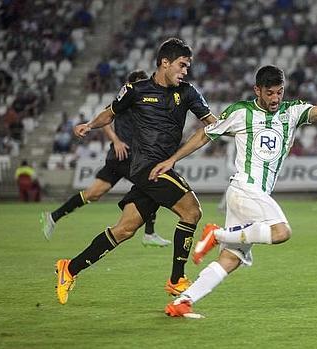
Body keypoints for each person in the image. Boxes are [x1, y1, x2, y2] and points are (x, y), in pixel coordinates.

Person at [153, 65, 317, 317]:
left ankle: (183, 301)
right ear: (257, 90)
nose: (276, 98)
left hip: (251, 196)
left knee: (230, 260)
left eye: (280, 92)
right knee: (282, 232)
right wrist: (173, 160)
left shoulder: (292, 111)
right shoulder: (241, 112)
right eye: (270, 93)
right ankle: (217, 234)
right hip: (245, 188)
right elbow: (205, 134)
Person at [53, 38, 217, 305]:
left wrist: (242, 127)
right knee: (192, 211)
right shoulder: (135, 90)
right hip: (145, 167)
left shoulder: (188, 93)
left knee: (125, 229)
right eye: (182, 65)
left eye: (187, 66)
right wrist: (89, 125)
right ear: (165, 62)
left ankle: (69, 268)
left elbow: (212, 124)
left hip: (161, 168)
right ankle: (177, 280)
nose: (186, 71)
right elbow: (110, 113)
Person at [40, 70, 171, 248]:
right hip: (122, 156)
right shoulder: (126, 99)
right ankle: (149, 233)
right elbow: (105, 118)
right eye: (140, 83)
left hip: (129, 157)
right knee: (151, 184)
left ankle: (53, 217)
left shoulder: (144, 104)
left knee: (92, 194)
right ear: (130, 84)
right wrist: (116, 141)